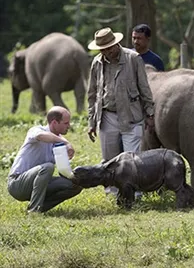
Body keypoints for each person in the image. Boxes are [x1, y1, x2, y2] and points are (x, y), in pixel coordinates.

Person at [87, 27, 155, 195]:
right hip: (107, 115)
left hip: (131, 116)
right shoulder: (97, 62)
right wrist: (91, 121)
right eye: (103, 49)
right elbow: (92, 93)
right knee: (110, 160)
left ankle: (135, 193)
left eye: (109, 47)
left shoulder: (133, 59)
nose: (107, 51)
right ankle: (113, 193)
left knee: (132, 159)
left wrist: (150, 113)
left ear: (116, 44)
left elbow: (144, 88)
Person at [7, 106, 82, 213]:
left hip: (39, 183)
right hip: (17, 184)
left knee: (75, 185)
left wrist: (74, 176)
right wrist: (66, 142)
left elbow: (63, 170)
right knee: (48, 167)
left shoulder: (60, 142)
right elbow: (42, 136)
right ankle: (34, 210)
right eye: (66, 123)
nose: (69, 126)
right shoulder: (36, 130)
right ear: (55, 123)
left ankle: (41, 207)